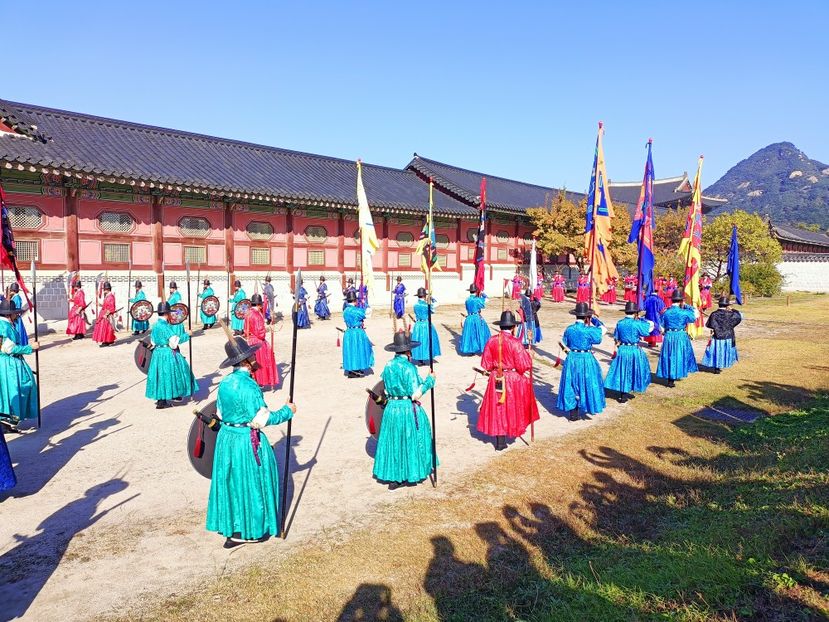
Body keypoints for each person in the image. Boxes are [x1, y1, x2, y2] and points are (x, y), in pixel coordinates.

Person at [206, 337, 295, 547]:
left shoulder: (225, 382)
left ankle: (233, 526)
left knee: (231, 481)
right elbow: (261, 419)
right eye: (252, 355)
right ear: (246, 360)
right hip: (245, 440)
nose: (255, 358)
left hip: (226, 438)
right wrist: (287, 411)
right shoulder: (249, 385)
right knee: (250, 482)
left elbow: (220, 412)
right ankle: (250, 530)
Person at [372, 331, 437, 489]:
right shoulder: (409, 367)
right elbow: (415, 394)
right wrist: (430, 380)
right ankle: (407, 474)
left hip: (391, 408)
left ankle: (394, 476)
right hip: (406, 409)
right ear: (408, 351)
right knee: (409, 439)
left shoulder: (388, 365)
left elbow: (385, 388)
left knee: (394, 440)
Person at [477, 310, 539, 450]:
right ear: (513, 327)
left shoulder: (491, 340)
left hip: (496, 377)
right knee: (511, 406)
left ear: (501, 326)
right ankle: (509, 432)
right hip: (512, 379)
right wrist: (530, 356)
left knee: (499, 407)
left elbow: (485, 364)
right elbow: (523, 366)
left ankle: (500, 442)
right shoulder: (515, 343)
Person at [557, 302, 606, 420]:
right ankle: (585, 405)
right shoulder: (589, 330)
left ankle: (573, 412)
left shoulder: (569, 329)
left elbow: (565, 342)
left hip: (572, 358)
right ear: (586, 316)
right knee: (587, 382)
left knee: (571, 383)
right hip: (585, 358)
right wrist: (594, 320)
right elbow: (603, 330)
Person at [145, 302, 198, 409]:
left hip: (157, 353)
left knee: (160, 375)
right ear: (167, 313)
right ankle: (175, 394)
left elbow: (153, 341)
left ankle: (161, 401)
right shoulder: (165, 326)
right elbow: (174, 343)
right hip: (167, 353)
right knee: (176, 372)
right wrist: (187, 335)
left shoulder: (155, 325)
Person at [0, 298, 40, 430]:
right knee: (17, 389)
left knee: (12, 390)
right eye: (15, 313)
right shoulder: (3, 326)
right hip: (8, 363)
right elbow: (8, 348)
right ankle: (7, 420)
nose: (17, 315)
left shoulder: (7, 324)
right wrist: (30, 348)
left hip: (9, 362)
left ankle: (8, 421)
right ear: (9, 314)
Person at [603, 301, 654, 402]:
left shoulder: (620, 323)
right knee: (633, 369)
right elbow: (650, 327)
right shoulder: (637, 323)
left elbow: (616, 337)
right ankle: (627, 391)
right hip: (633, 349)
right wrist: (641, 319)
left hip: (622, 349)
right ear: (635, 313)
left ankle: (623, 394)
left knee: (623, 370)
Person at [656, 289, 699, 387]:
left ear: (672, 300)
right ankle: (676, 374)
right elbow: (695, 315)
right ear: (681, 301)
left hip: (669, 335)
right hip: (680, 335)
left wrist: (665, 331)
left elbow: (661, 327)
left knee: (669, 355)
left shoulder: (666, 312)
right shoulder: (684, 312)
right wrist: (687, 306)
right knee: (679, 355)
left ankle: (670, 379)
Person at [244, 294, 280, 389]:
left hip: (249, 341)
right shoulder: (256, 315)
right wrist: (268, 328)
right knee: (263, 360)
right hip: (257, 342)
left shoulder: (248, 313)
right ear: (259, 305)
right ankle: (260, 381)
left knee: (251, 363)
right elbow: (260, 333)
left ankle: (254, 381)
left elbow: (246, 330)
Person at [702, 296, 742, 373]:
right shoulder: (731, 314)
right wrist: (733, 309)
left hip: (717, 336)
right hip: (728, 336)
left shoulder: (714, 314)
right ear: (727, 305)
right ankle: (723, 364)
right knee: (724, 351)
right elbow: (739, 316)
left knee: (717, 352)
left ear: (719, 304)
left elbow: (709, 325)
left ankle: (717, 367)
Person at [342, 291, 373, 378]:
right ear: (355, 301)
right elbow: (368, 312)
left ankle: (352, 369)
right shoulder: (356, 311)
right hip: (357, 332)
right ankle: (355, 369)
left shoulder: (345, 311)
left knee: (350, 350)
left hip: (348, 332)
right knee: (359, 349)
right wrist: (365, 303)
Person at [410, 287, 441, 366]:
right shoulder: (427, 305)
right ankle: (427, 356)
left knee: (418, 340)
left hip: (418, 325)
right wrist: (432, 298)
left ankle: (420, 360)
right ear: (424, 296)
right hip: (425, 324)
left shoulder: (415, 305)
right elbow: (437, 304)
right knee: (427, 341)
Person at [458, 284, 490, 356]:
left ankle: (471, 350)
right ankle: (482, 348)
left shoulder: (467, 300)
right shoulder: (477, 299)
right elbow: (486, 300)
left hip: (469, 318)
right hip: (476, 317)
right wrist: (483, 295)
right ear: (476, 291)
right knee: (481, 332)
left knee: (470, 334)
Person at [92, 281, 116, 347]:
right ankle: (109, 340)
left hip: (107, 314)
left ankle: (106, 341)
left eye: (104, 289)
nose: (103, 291)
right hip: (104, 313)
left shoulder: (111, 297)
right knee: (106, 328)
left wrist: (106, 314)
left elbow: (111, 307)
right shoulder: (108, 296)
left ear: (107, 289)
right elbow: (106, 305)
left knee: (105, 328)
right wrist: (100, 304)